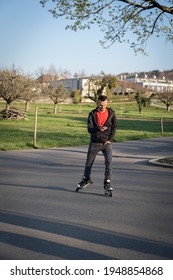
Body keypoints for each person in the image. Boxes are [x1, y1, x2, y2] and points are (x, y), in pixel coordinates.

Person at [76, 95, 117, 193]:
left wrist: (110, 139)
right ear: (97, 103)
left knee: (109, 163)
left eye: (104, 105)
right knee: (89, 163)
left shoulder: (111, 113)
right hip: (94, 142)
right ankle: (86, 179)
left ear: (107, 103)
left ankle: (107, 182)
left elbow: (114, 127)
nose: (102, 107)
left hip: (106, 143)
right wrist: (98, 128)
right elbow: (89, 129)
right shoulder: (92, 114)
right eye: (100, 105)